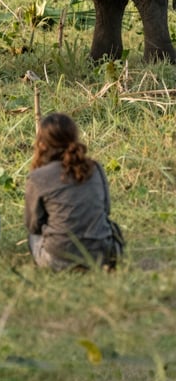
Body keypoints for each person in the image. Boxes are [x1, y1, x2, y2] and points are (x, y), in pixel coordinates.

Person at [25, 112, 124, 271]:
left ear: (42, 143)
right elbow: (106, 210)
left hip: (57, 259)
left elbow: (33, 225)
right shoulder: (95, 168)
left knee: (33, 237)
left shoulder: (37, 177)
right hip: (101, 255)